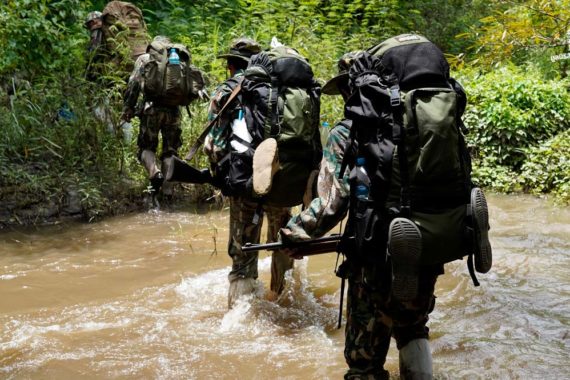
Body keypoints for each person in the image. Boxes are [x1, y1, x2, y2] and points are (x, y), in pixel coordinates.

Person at [203, 38, 295, 307]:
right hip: (282, 183)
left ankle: (241, 315)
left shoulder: (227, 92)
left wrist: (223, 179)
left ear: (231, 65)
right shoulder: (283, 90)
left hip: (245, 186)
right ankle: (282, 298)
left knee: (243, 256)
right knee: (283, 244)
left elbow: (213, 146)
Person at [122, 35, 183, 199]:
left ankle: (154, 173)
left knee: (147, 148)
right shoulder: (177, 59)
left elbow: (133, 84)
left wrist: (128, 108)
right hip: (174, 111)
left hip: (151, 109)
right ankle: (168, 191)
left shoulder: (144, 59)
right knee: (170, 151)